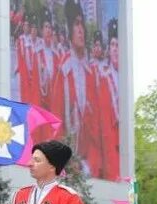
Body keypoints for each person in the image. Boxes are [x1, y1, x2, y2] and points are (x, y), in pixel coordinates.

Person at [51, 0, 101, 176]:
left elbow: (96, 132)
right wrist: (66, 163)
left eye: (82, 24)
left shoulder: (90, 74)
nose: (81, 30)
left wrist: (88, 167)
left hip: (86, 169)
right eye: (76, 24)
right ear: (69, 29)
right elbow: (56, 125)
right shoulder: (63, 71)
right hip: (66, 166)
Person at [96, 18, 120, 181]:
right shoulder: (104, 78)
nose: (115, 49)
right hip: (111, 150)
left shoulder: (124, 79)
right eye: (112, 45)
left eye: (118, 45)